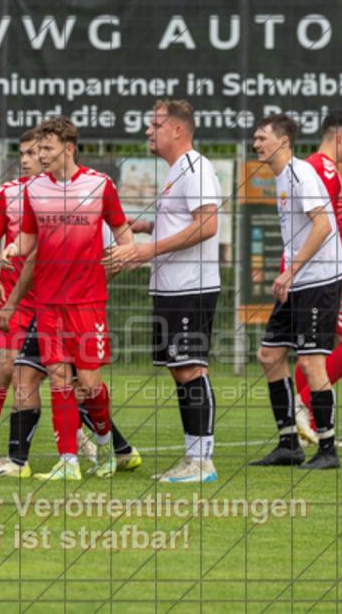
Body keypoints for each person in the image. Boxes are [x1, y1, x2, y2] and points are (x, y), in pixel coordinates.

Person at [0, 130, 140, 476]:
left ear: (68, 148)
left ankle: (109, 446)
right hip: (48, 305)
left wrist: (120, 258)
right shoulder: (34, 189)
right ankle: (68, 462)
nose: (39, 154)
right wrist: (13, 248)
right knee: (60, 381)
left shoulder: (100, 184)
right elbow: (31, 241)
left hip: (87, 303)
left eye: (46, 148)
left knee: (90, 387)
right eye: (37, 149)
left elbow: (123, 233)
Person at [107, 99, 221, 483]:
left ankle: (201, 461)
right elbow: (180, 223)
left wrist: (144, 250)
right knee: (180, 369)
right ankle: (193, 457)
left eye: (154, 125)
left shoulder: (196, 166)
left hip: (192, 285)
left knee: (190, 368)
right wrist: (144, 229)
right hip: (173, 287)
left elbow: (207, 226)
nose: (147, 131)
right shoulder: (177, 171)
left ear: (177, 129)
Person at [250, 113, 342, 470]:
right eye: (256, 138)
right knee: (269, 355)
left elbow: (324, 225)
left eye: (263, 138)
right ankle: (289, 443)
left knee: (310, 361)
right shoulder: (282, 177)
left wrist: (290, 272)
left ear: (284, 141)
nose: (256, 143)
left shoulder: (300, 174)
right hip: (300, 281)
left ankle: (327, 450)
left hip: (318, 280)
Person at [290, 110, 342, 446]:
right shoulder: (322, 168)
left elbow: (327, 226)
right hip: (323, 272)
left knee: (312, 349)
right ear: (340, 137)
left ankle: (307, 420)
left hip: (327, 268)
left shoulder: (316, 167)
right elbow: (320, 226)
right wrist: (338, 273)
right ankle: (303, 407)